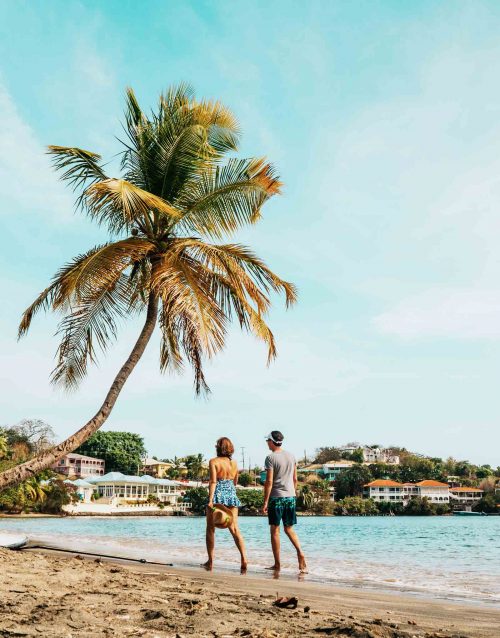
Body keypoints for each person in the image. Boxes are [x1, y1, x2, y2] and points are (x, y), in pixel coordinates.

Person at [263, 430, 307, 573]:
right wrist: (292, 494)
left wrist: (265, 502)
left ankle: (277, 565)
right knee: (289, 528)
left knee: (274, 530)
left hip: (276, 498)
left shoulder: (270, 458)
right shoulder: (291, 456)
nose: (267, 444)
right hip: (290, 497)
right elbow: (295, 479)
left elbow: (269, 481)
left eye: (267, 441)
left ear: (271, 441)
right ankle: (300, 552)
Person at [203, 437, 248, 572]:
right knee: (234, 529)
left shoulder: (213, 462)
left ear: (218, 448)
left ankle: (210, 561)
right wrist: (230, 493)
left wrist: (210, 500)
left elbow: (213, 482)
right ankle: (244, 558)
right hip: (231, 495)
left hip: (218, 495)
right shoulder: (234, 464)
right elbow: (235, 482)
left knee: (210, 529)